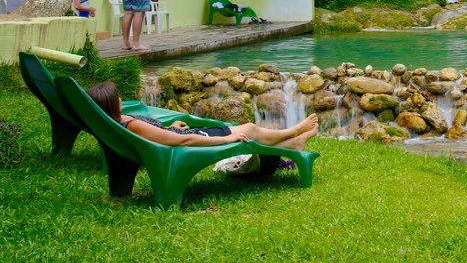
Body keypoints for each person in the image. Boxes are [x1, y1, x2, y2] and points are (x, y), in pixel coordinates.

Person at [87, 81, 318, 150]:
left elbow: (162, 134)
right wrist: (225, 139)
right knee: (248, 129)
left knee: (247, 130)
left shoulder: (115, 122)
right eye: (116, 97)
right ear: (111, 104)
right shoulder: (130, 126)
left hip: (182, 135)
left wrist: (172, 126)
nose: (120, 99)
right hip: (193, 140)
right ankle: (294, 132)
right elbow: (182, 140)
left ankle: (293, 142)